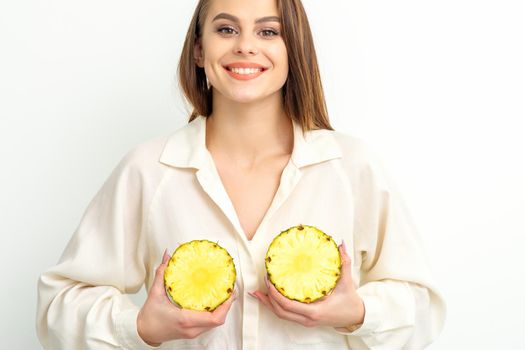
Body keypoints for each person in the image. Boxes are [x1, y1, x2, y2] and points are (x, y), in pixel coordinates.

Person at [36, 0, 446, 348]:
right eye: (226, 29)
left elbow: (424, 309)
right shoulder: (148, 170)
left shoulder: (352, 168)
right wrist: (140, 327)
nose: (246, 46)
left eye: (268, 32)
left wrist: (358, 312)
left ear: (294, 50)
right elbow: (58, 305)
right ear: (199, 50)